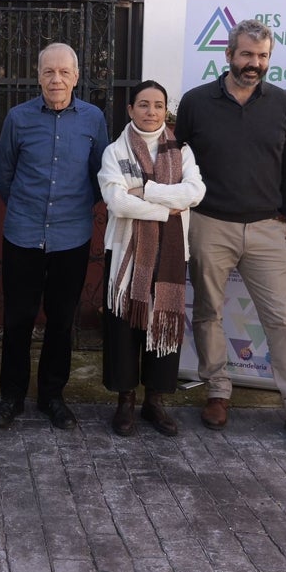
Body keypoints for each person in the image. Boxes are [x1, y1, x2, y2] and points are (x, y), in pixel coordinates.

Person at [175, 18, 286, 456]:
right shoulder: (196, 102)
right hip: (210, 223)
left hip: (266, 228)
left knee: (281, 319)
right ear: (228, 54)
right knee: (207, 313)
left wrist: (284, 220)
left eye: (262, 57)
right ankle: (218, 390)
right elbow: (179, 161)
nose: (254, 64)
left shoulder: (282, 102)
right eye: (246, 55)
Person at [0, 43, 109, 430]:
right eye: (48, 72)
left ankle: (52, 396)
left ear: (76, 76)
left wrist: (72, 212)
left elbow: (100, 175)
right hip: (22, 234)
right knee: (17, 319)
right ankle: (11, 396)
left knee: (60, 322)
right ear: (38, 75)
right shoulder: (18, 118)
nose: (56, 79)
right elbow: (4, 176)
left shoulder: (93, 119)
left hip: (71, 239)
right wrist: (28, 209)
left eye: (63, 72)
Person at [99, 80, 204, 436]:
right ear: (130, 110)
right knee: (126, 327)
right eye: (143, 105)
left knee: (163, 323)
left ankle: (154, 402)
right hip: (126, 255)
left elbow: (195, 192)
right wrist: (165, 209)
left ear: (165, 111)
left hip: (171, 255)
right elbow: (116, 201)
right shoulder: (116, 151)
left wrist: (147, 190)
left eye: (158, 105)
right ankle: (125, 401)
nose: (151, 112)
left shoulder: (182, 151)